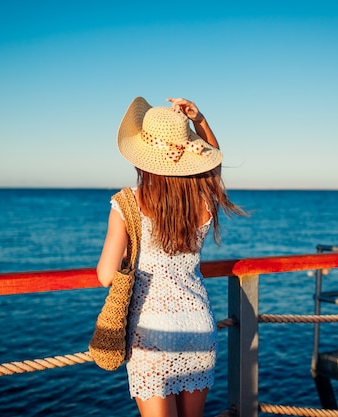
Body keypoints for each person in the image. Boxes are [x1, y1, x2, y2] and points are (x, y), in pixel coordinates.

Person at [97, 97, 244, 417]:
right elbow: (213, 167)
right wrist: (200, 121)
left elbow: (107, 275)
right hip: (199, 327)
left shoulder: (126, 204)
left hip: (151, 331)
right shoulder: (205, 202)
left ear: (142, 158)